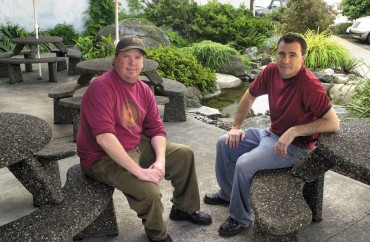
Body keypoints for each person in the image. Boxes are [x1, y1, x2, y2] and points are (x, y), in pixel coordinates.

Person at [77, 35, 212, 242]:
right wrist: (140, 172)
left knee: (184, 154)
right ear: (115, 59)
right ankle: (157, 235)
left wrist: (160, 162)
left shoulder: (144, 89)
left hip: (134, 145)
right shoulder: (101, 86)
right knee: (149, 191)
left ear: (143, 61)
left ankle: (184, 209)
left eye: (137, 57)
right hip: (101, 157)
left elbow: (157, 129)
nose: (132, 63)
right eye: (126, 57)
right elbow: (104, 138)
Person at [203, 33, 340, 237]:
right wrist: (236, 126)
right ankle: (228, 192)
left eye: (292, 55)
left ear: (303, 57)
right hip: (270, 134)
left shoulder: (310, 86)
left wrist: (294, 131)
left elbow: (333, 123)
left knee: (244, 164)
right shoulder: (271, 70)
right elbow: (250, 95)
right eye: (281, 54)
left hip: (296, 148)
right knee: (225, 142)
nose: (285, 60)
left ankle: (241, 217)